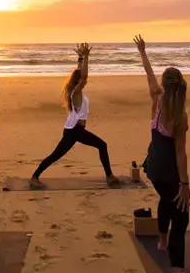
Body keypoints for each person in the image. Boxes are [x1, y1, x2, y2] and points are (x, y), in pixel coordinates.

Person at [134, 35, 190, 273]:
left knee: (165, 198)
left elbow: (148, 73)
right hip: (167, 172)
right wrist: (185, 184)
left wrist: (143, 51)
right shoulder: (180, 115)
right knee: (182, 218)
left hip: (152, 168)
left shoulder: (156, 101)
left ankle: (162, 240)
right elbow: (180, 153)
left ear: (164, 86)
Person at [30, 43, 121, 188]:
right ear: (79, 82)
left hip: (74, 131)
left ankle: (34, 176)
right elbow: (84, 76)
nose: (86, 82)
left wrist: (80, 58)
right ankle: (109, 176)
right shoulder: (76, 93)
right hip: (74, 131)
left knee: (56, 155)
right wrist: (86, 57)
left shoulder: (75, 91)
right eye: (83, 81)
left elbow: (80, 73)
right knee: (101, 145)